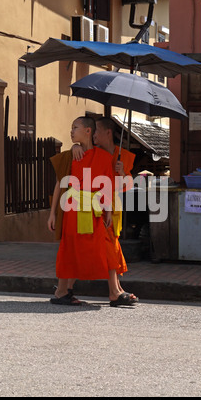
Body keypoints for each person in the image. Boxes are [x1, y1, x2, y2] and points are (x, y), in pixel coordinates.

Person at [48, 116, 135, 306]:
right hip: (73, 211)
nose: (71, 131)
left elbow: (108, 187)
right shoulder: (70, 155)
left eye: (75, 127)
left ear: (88, 131)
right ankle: (62, 291)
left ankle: (114, 291)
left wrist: (109, 212)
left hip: (96, 211)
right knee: (69, 248)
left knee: (107, 246)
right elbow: (59, 185)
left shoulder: (104, 157)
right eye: (71, 127)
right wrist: (52, 213)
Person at [72, 117, 138, 302]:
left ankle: (115, 287)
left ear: (108, 133)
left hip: (112, 207)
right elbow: (75, 164)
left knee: (113, 246)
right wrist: (74, 147)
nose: (93, 135)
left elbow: (128, 186)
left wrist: (123, 172)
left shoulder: (122, 156)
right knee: (105, 247)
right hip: (94, 206)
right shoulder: (93, 152)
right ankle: (113, 290)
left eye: (97, 131)